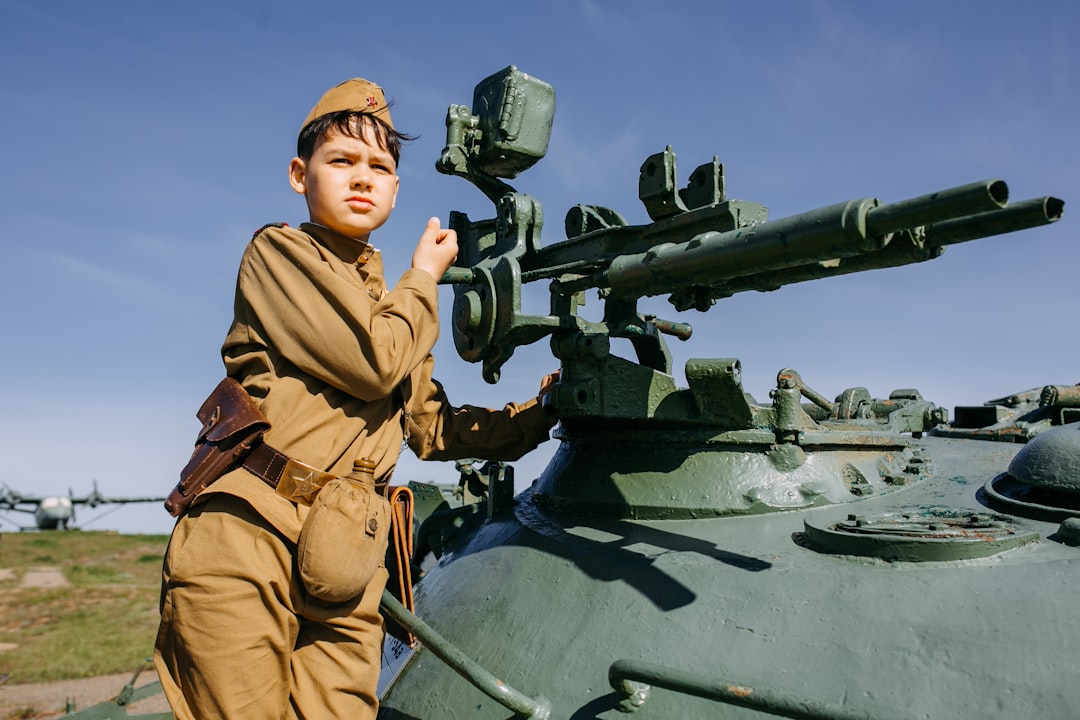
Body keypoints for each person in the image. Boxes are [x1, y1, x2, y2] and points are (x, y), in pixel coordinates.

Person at [153, 77, 557, 720]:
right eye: (340, 161)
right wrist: (423, 277)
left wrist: (542, 414)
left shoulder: (395, 311)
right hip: (250, 540)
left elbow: (434, 430)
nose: (361, 177)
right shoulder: (278, 254)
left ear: (396, 189)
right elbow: (375, 363)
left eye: (380, 166)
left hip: (347, 558)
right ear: (299, 174)